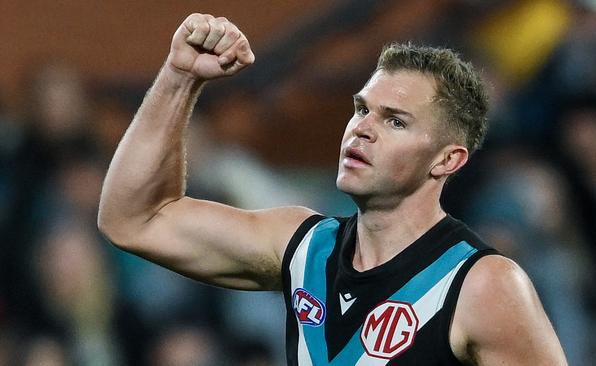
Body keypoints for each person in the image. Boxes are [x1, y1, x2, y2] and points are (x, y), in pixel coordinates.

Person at [98, 13, 567, 365]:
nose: (362, 130)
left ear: (447, 160)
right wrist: (180, 78)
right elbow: (134, 218)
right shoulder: (304, 247)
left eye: (395, 121)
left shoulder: (484, 286)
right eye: (362, 109)